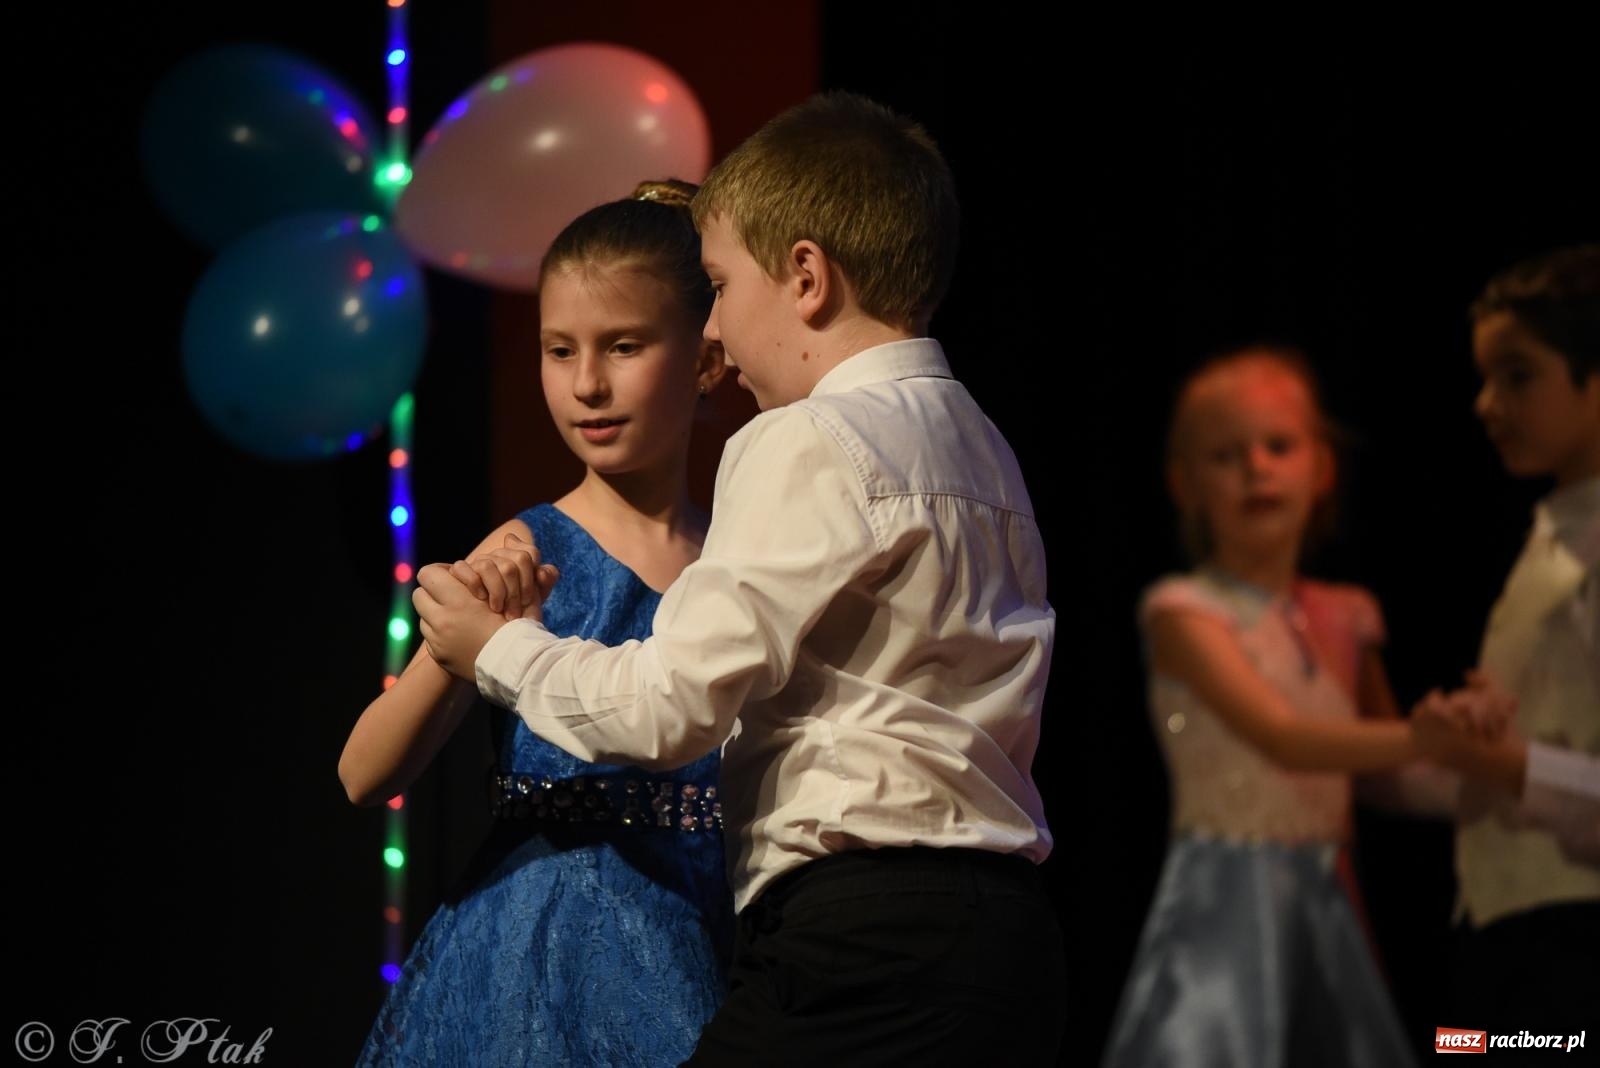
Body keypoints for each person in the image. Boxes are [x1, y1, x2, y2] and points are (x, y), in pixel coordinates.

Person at [414, 91, 1067, 1064]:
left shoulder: (806, 436)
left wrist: (497, 646)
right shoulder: (983, 447)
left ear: (805, 276)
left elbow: (669, 707)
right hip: (1006, 939)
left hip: (865, 936)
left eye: (717, 285)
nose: (712, 328)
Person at [339, 179, 733, 1066]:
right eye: (560, 351)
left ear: (706, 360)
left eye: (624, 346)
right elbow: (364, 773)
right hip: (541, 957)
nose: (587, 384)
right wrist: (467, 639)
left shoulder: (739, 558)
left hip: (706, 944)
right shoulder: (529, 548)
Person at [1101, 346, 1504, 1068]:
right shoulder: (1184, 612)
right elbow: (1284, 738)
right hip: (1226, 907)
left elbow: (1389, 776)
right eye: (1226, 455)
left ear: (1321, 468)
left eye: (1278, 446)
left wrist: (1493, 771)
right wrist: (1423, 735)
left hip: (1324, 901)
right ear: (1184, 482)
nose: (1256, 466)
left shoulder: (1348, 614)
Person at [1439, 243, 1599, 1037]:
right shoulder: (1555, 530)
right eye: (1486, 377)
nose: (1486, 404)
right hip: (1509, 933)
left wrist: (1501, 761)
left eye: (1519, 375)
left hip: (1572, 941)